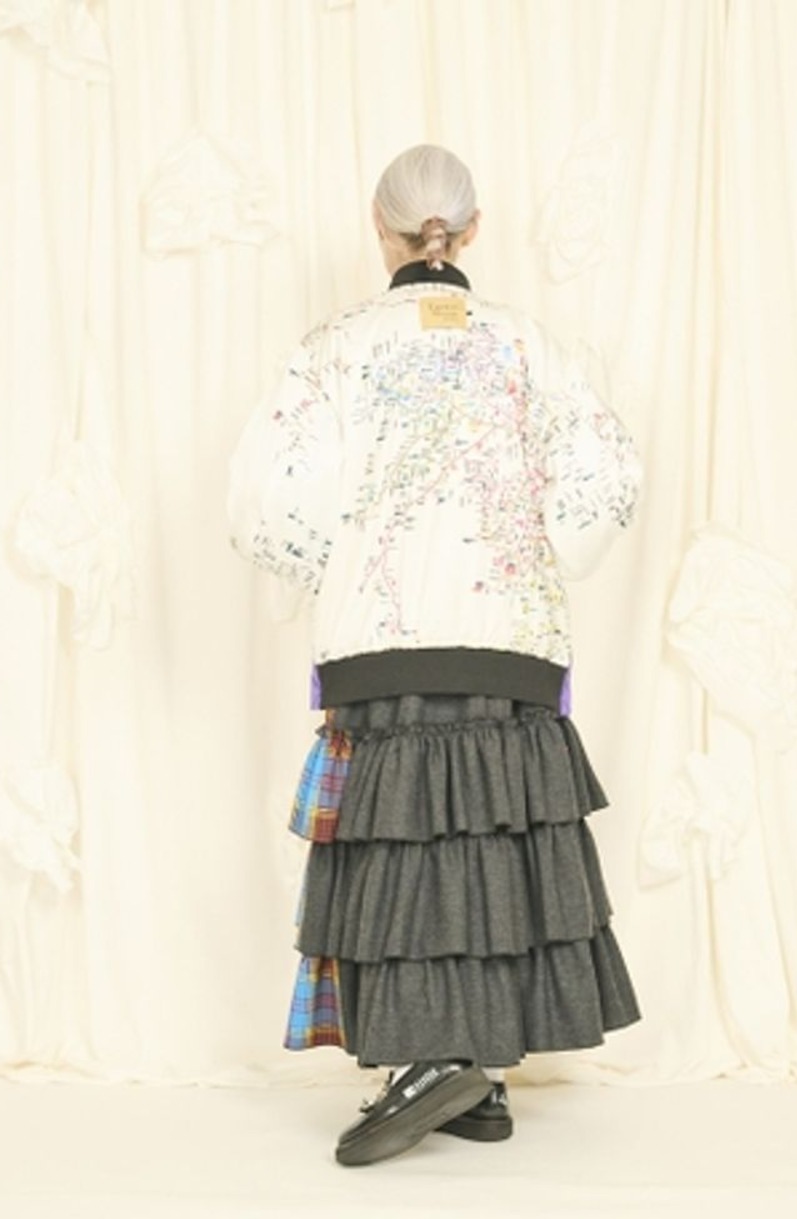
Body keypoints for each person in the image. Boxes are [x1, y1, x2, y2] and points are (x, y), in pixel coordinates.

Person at [226, 143, 643, 1167]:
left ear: (381, 229)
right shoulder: (528, 343)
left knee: (405, 848)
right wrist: (540, 548)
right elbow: (605, 476)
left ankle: (427, 1061)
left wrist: (336, 564)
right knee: (489, 841)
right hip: (511, 635)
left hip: (384, 632)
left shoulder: (335, 348)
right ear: (472, 227)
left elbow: (266, 499)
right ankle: (477, 1075)